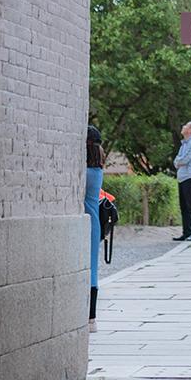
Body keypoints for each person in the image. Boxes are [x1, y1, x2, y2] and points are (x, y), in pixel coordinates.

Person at [85, 124, 105, 331]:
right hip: (95, 224)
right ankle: (92, 318)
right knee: (92, 268)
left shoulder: (84, 173)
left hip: (85, 224)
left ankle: (88, 317)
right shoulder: (98, 170)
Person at [172, 120, 191, 242]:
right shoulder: (184, 144)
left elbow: (185, 160)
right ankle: (186, 232)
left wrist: (179, 161)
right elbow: (176, 161)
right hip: (182, 177)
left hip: (190, 177)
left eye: (186, 126)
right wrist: (178, 162)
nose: (183, 127)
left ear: (190, 130)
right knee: (184, 206)